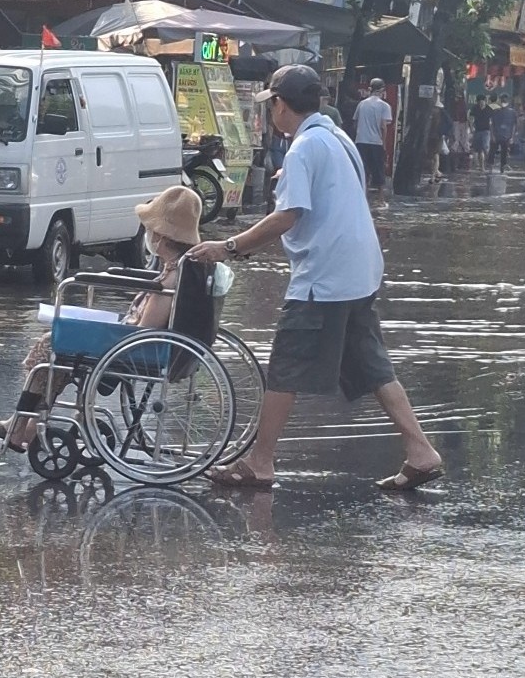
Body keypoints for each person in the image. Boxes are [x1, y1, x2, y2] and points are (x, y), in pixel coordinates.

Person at [187, 64, 443, 490]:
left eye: (273, 104)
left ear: (281, 105)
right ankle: (421, 451)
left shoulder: (304, 148)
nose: (272, 112)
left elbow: (287, 216)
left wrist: (228, 247)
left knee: (285, 365)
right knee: (372, 364)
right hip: (360, 270)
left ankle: (260, 461)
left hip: (325, 277)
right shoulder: (336, 138)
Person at [0, 186, 206, 451]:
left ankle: (18, 426)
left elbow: (143, 331)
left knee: (52, 343)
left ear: (160, 236)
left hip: (135, 348)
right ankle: (27, 425)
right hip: (139, 343)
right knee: (59, 346)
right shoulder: (177, 270)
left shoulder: (172, 279)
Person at [352, 77, 392, 199]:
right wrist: (383, 144)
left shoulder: (362, 104)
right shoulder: (384, 106)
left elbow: (355, 122)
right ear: (382, 90)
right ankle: (381, 199)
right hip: (376, 142)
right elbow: (383, 126)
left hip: (361, 141)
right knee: (379, 170)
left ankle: (363, 196)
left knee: (363, 170)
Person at [488, 94, 518, 172]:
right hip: (496, 135)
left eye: (505, 100)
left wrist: (512, 137)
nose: (503, 102)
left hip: (506, 136)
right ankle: (490, 167)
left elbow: (514, 125)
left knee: (504, 153)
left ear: (508, 101)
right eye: (502, 100)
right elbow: (491, 124)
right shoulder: (495, 111)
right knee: (492, 152)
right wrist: (492, 135)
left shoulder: (512, 112)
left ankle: (502, 167)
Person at [470, 94, 492, 171]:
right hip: (477, 130)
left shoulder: (489, 109)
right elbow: (471, 118)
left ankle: (489, 163)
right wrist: (471, 127)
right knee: (479, 150)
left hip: (486, 131)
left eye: (482, 101)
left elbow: (492, 120)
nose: (481, 103)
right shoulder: (474, 108)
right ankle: (482, 167)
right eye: (479, 102)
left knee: (486, 148)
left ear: (485, 101)